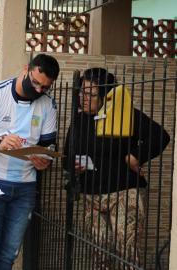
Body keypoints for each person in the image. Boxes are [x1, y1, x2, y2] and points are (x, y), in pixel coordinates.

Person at [63, 67, 170, 269]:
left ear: (106, 96)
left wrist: (136, 156)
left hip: (123, 193)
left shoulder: (125, 115)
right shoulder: (78, 120)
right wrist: (73, 166)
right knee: (98, 250)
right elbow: (68, 155)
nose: (83, 98)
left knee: (126, 251)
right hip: (91, 197)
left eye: (91, 94)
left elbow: (160, 136)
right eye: (82, 92)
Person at [0, 53, 60, 269]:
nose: (38, 90)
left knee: (9, 254)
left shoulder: (48, 104)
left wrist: (45, 161)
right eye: (35, 82)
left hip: (25, 187)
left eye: (45, 87)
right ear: (26, 69)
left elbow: (49, 145)